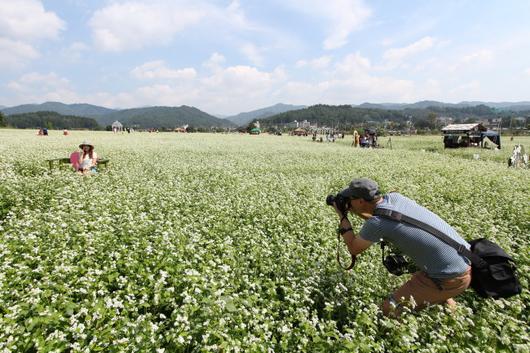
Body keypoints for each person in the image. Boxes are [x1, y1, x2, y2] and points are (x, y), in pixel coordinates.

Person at [329, 178, 471, 317]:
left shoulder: (377, 223)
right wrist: (356, 210)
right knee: (435, 287)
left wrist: (342, 215)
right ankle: (449, 306)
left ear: (360, 201)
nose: (348, 202)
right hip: (466, 260)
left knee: (387, 310)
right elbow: (385, 218)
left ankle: (443, 307)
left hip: (448, 277)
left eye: (350, 199)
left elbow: (354, 248)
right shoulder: (395, 198)